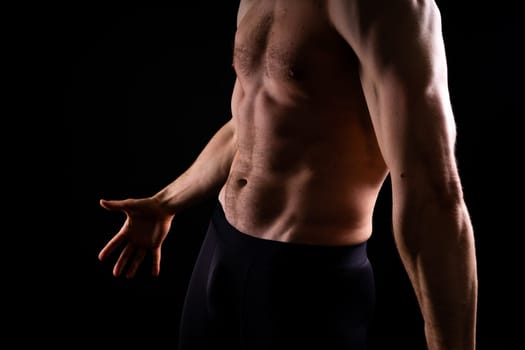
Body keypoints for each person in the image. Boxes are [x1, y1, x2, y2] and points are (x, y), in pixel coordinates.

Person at [97, 0, 478, 349]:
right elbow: (247, 127)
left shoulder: (387, 8)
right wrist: (166, 203)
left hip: (307, 284)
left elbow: (434, 194)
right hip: (220, 250)